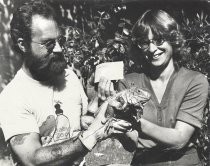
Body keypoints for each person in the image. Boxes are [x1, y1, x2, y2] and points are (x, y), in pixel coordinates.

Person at [0, 0, 131, 165]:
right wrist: (91, 135)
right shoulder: (12, 97)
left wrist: (100, 104)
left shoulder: (69, 77)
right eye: (49, 44)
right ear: (23, 44)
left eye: (59, 41)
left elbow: (81, 123)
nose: (59, 49)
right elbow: (32, 159)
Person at [112, 10, 209, 166]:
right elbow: (131, 143)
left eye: (158, 39)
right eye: (144, 42)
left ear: (172, 39)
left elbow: (179, 140)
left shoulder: (195, 81)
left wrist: (136, 121)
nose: (152, 49)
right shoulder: (129, 83)